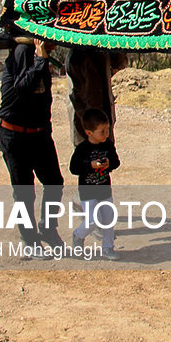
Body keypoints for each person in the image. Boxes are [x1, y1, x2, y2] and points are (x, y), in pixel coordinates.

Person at [0, 38, 64, 258]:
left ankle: (48, 230)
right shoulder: (24, 51)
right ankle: (30, 241)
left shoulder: (38, 55)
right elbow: (23, 88)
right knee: (24, 191)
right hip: (14, 134)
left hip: (39, 133)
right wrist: (40, 60)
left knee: (54, 182)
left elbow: (43, 100)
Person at [69, 108, 122, 261]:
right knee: (93, 221)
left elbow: (116, 162)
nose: (106, 134)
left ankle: (107, 247)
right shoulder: (82, 149)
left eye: (107, 130)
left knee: (108, 219)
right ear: (89, 133)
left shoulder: (108, 145)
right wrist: (90, 166)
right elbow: (74, 168)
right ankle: (78, 235)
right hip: (88, 192)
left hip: (104, 189)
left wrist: (108, 165)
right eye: (102, 131)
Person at [64, 49, 126, 147]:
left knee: (107, 156)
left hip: (104, 116)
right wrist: (91, 123)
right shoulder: (76, 56)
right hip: (86, 123)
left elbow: (120, 64)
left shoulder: (103, 50)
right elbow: (77, 96)